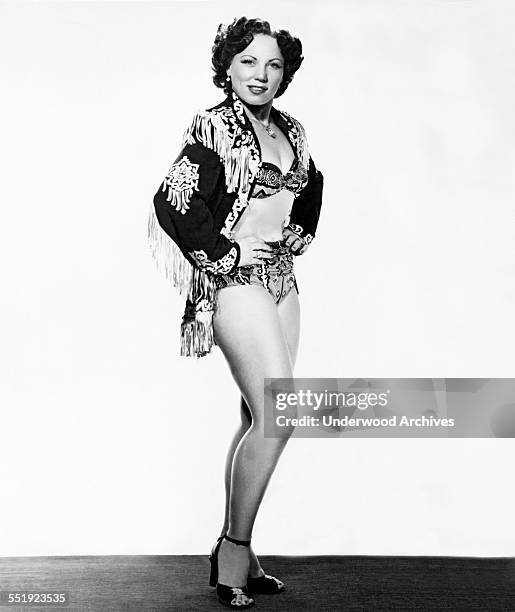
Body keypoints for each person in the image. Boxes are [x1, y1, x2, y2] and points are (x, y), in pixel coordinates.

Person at [148, 16, 323, 609]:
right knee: (281, 416)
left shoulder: (292, 130)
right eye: (248, 62)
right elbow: (170, 203)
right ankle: (232, 548)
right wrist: (224, 251)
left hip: (282, 285)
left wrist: (294, 236)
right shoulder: (212, 128)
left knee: (257, 417)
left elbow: (312, 187)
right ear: (227, 67)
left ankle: (242, 557)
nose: (261, 75)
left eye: (273, 65)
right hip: (234, 284)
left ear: (285, 74)